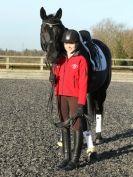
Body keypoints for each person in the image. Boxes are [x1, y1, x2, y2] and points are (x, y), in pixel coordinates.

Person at [49, 29, 89, 171]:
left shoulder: (81, 60)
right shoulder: (59, 60)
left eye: (71, 43)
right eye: (66, 43)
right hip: (60, 96)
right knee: (64, 125)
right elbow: (55, 79)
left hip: (74, 97)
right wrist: (52, 80)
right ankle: (66, 157)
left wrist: (81, 104)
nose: (69, 45)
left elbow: (84, 83)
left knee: (76, 126)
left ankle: (75, 159)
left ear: (77, 44)